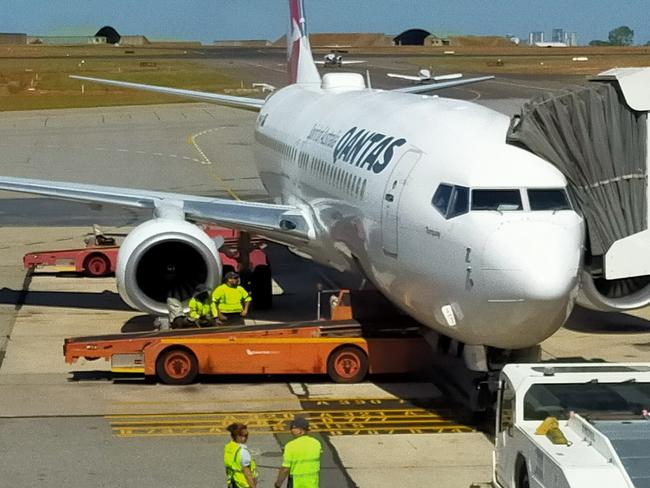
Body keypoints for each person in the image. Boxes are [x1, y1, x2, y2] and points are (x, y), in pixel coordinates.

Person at [274, 415, 322, 488]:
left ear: (301, 430)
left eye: (293, 428)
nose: (291, 430)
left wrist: (278, 484)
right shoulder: (316, 443)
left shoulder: (290, 446)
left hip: (296, 484)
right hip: (312, 484)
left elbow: (285, 469)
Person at [224, 422, 258, 488]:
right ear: (236, 436)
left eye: (246, 435)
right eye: (243, 435)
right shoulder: (243, 451)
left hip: (233, 482)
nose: (245, 438)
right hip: (244, 484)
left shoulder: (229, 447)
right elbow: (247, 473)